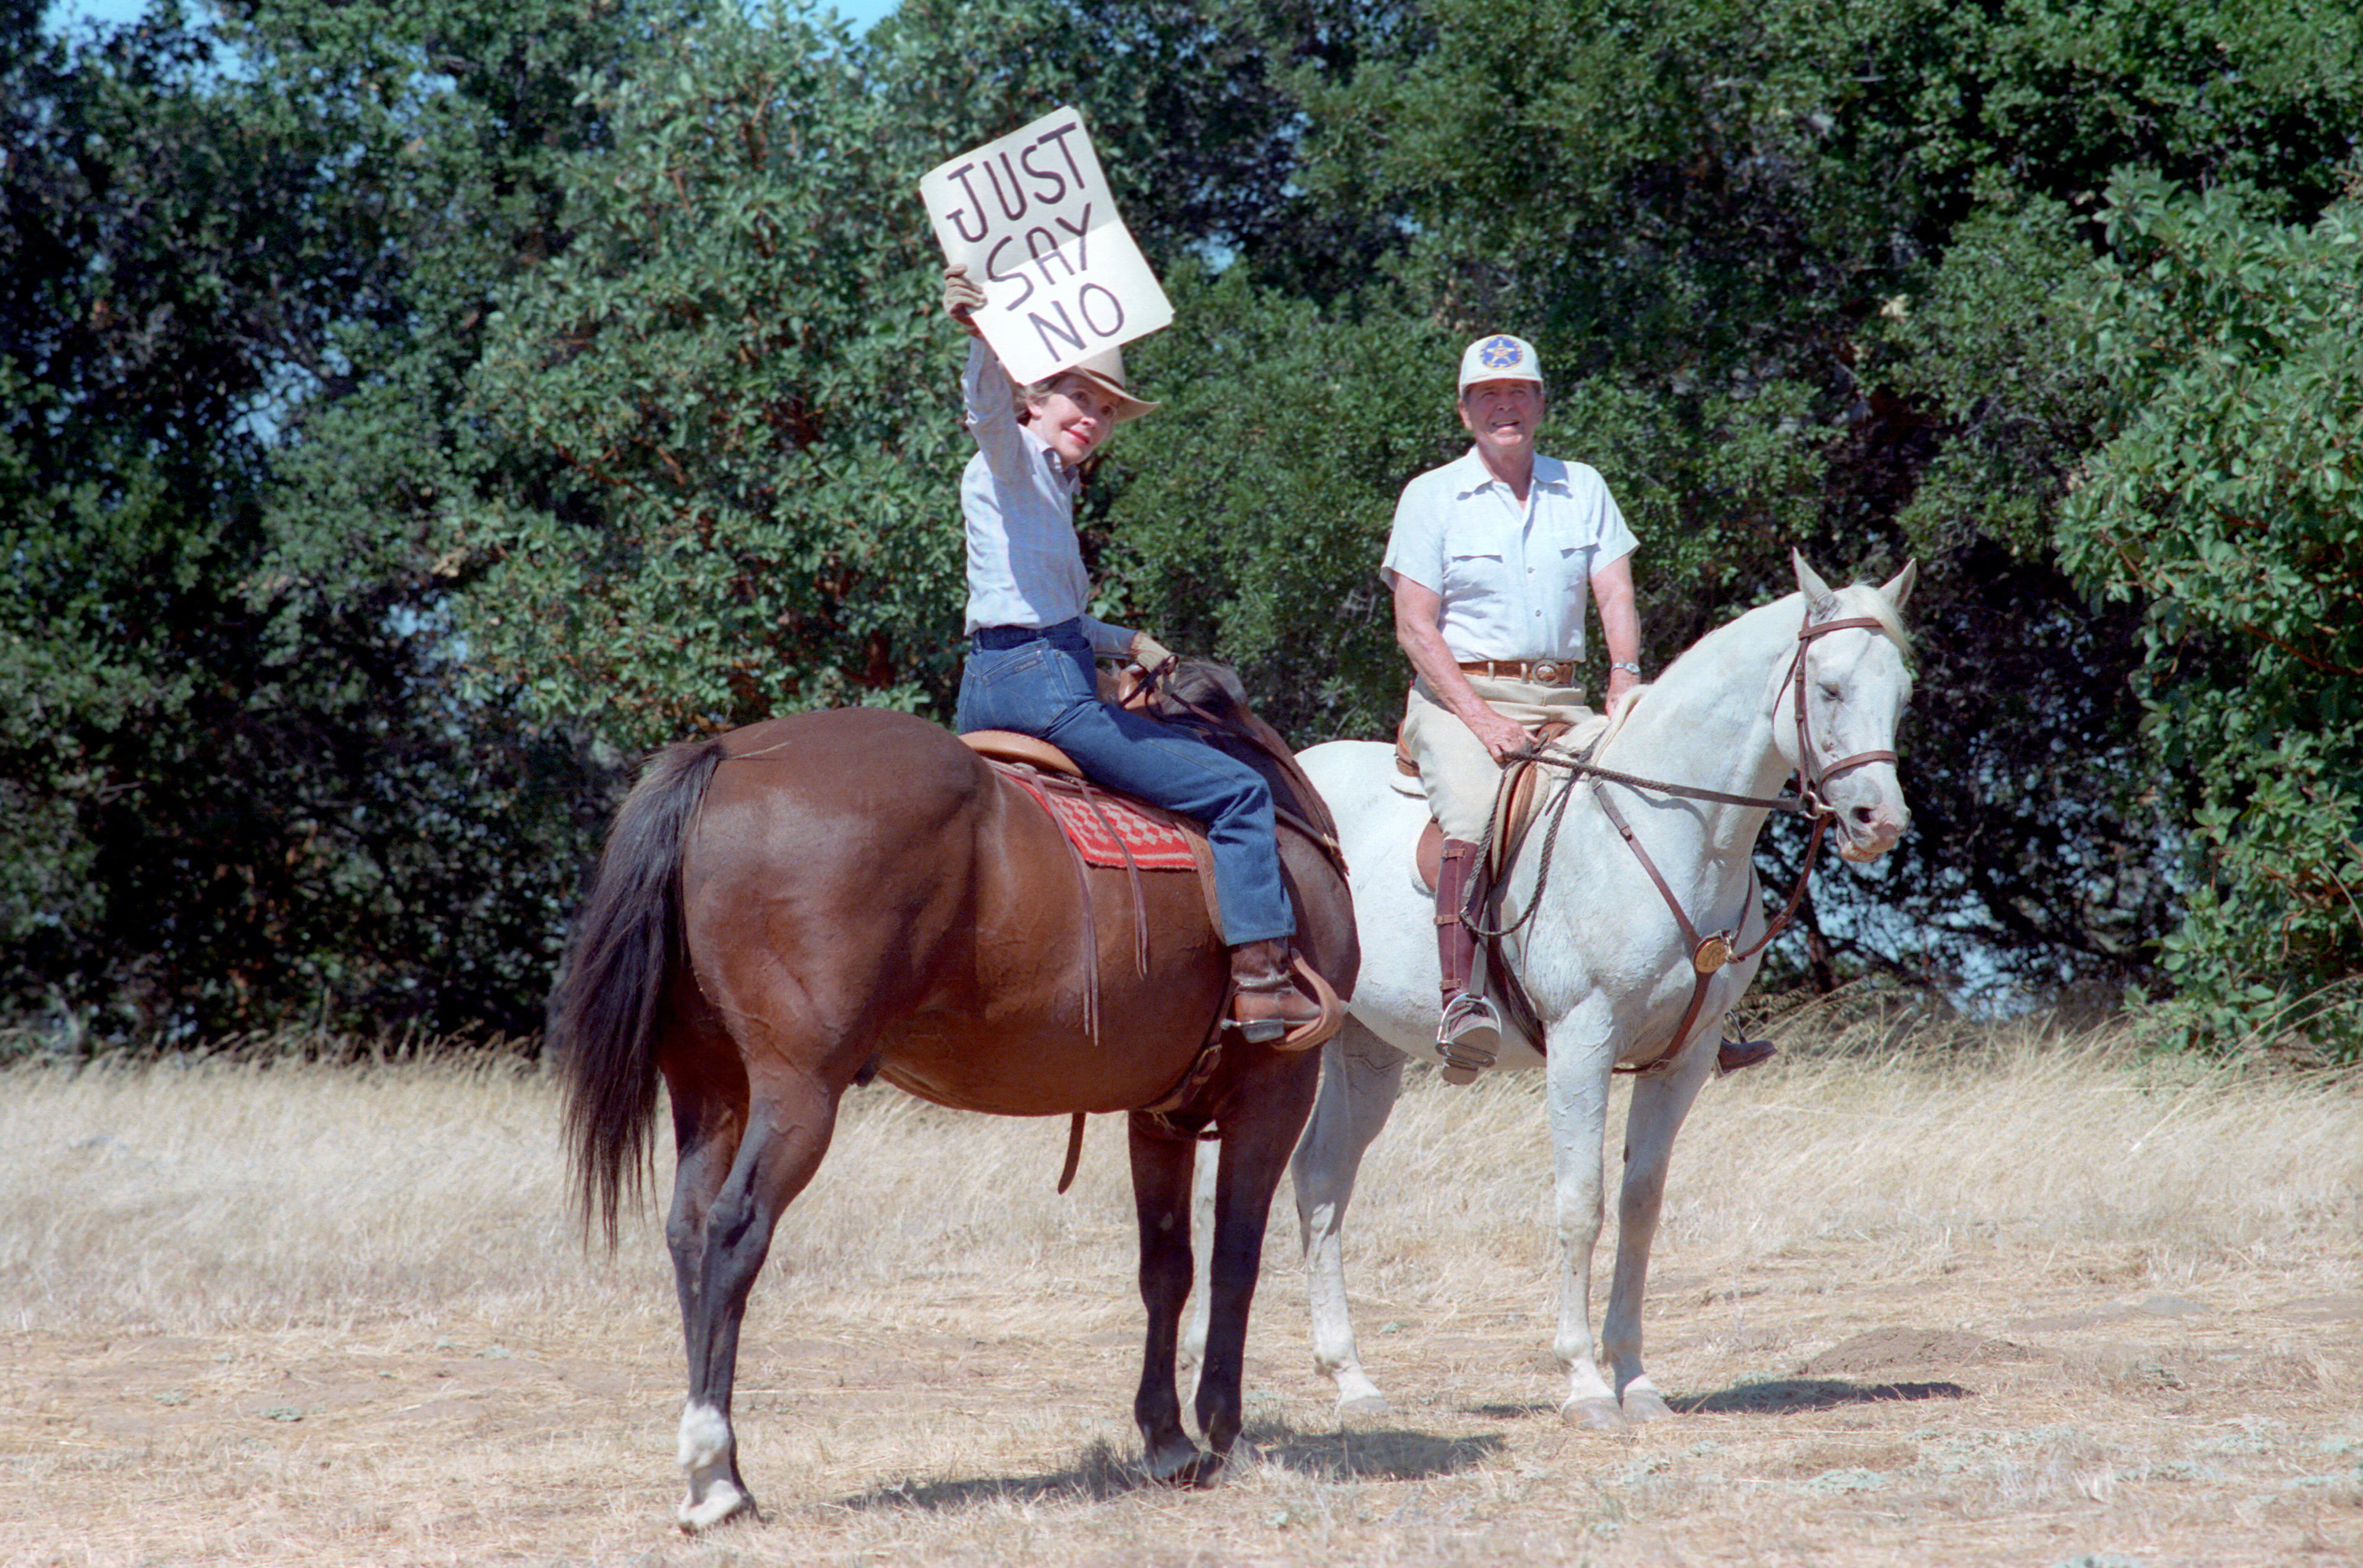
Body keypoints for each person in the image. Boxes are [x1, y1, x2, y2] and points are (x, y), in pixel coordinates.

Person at [940, 263, 1322, 1042]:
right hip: (1047, 691)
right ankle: (1260, 981)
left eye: (1107, 410)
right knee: (1240, 792)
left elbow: (1052, 612)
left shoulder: (1050, 486)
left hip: (986, 684)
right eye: (1080, 398)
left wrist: (1133, 641)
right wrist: (982, 335)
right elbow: (984, 411)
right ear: (1034, 399)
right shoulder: (1010, 455)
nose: (1094, 417)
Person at [1381, 334, 1778, 1078]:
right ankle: (1458, 1000)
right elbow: (1414, 625)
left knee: (1655, 797)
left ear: (1540, 405)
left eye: (1520, 394)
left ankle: (1702, 1000)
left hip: (1561, 694)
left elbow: (1614, 591)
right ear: (1466, 412)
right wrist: (1480, 718)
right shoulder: (1431, 496)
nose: (1506, 408)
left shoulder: (1583, 486)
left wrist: (1626, 680)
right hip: (1459, 695)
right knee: (1471, 811)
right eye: (1489, 397)